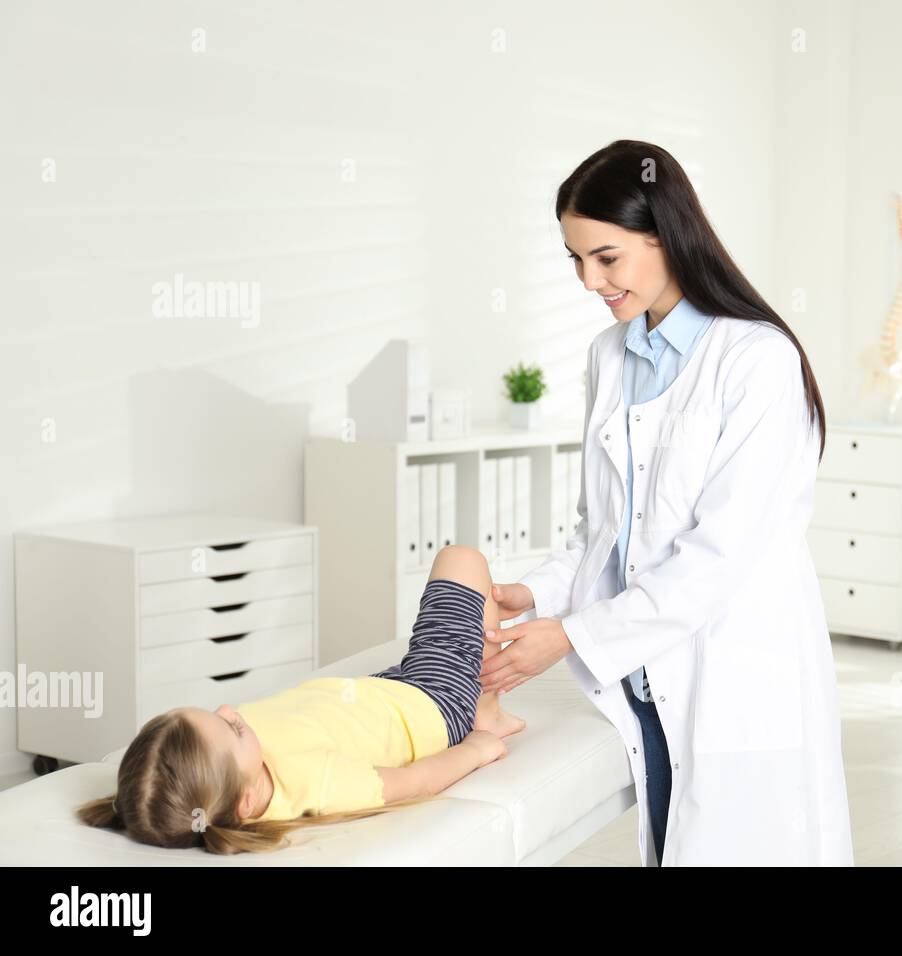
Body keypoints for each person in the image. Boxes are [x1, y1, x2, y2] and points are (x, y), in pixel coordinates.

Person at [481, 139, 854, 866]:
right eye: (575, 259)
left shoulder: (756, 360)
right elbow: (607, 532)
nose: (589, 280)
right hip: (648, 682)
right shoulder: (609, 356)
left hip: (735, 675)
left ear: (665, 232)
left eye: (607, 257)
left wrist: (571, 637)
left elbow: (715, 562)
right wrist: (536, 592)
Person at [77, 545, 519, 854]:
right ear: (247, 802)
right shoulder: (316, 781)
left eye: (216, 713)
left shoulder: (226, 772)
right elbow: (414, 783)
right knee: (462, 561)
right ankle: (486, 710)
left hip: (382, 692)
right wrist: (475, 749)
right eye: (232, 728)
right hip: (433, 705)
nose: (231, 711)